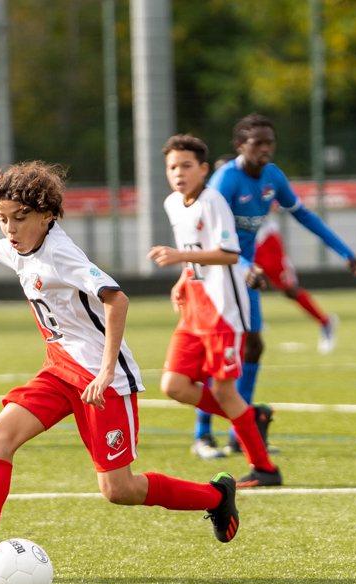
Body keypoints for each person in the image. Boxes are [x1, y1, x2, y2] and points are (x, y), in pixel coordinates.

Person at [0, 161, 241, 584]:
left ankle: (217, 497)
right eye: (2, 219)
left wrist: (106, 371)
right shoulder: (19, 245)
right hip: (58, 370)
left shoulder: (61, 253)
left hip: (100, 384)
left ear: (47, 214)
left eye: (19, 218)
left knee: (118, 489)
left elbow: (117, 300)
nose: (10, 229)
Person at [194, 114, 356, 460]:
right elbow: (209, 237)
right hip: (216, 272)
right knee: (220, 354)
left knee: (254, 347)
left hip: (247, 272)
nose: (266, 148)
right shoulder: (225, 181)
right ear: (240, 145)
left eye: (269, 142)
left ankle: (237, 433)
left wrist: (346, 253)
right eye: (258, 142)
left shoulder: (272, 177)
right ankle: (202, 435)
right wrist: (243, 266)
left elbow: (304, 215)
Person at [148, 135, 281, 486]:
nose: (179, 173)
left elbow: (230, 254)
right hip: (194, 307)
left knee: (224, 391)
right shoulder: (173, 204)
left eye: (187, 166)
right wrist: (182, 276)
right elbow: (193, 251)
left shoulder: (213, 202)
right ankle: (251, 419)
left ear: (203, 169)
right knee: (174, 385)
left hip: (222, 311)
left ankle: (265, 469)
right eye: (172, 167)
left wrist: (181, 257)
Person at [213, 154, 340, 356]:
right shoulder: (215, 194)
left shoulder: (248, 181)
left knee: (288, 289)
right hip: (235, 249)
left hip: (265, 243)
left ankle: (325, 321)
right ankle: (246, 326)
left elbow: (278, 199)